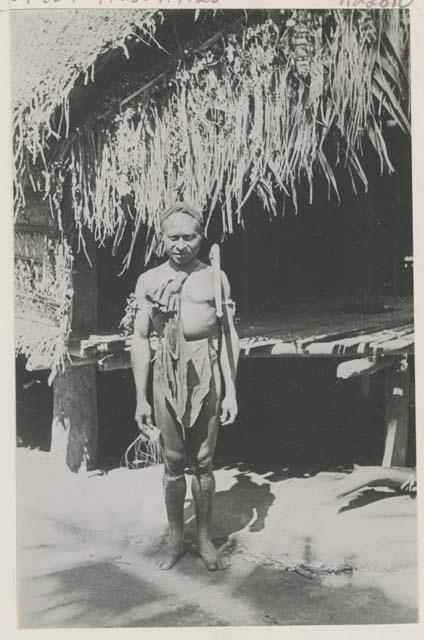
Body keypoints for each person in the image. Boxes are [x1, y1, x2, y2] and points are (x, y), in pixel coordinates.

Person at [130, 202, 240, 571]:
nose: (181, 244)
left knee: (205, 461)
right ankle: (177, 539)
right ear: (162, 239)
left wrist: (232, 389)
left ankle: (205, 539)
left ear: (201, 237)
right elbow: (141, 340)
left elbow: (228, 338)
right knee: (173, 462)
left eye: (189, 237)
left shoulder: (215, 278)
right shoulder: (148, 281)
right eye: (173, 237)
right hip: (166, 371)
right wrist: (141, 398)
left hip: (205, 370)